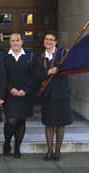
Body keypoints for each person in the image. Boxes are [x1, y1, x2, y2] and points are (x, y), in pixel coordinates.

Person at [36, 32, 72, 161]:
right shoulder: (40, 57)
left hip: (61, 94)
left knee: (60, 124)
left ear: (56, 42)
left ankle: (57, 151)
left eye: (51, 40)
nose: (48, 41)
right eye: (46, 39)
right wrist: (48, 72)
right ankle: (49, 150)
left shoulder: (63, 54)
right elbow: (36, 75)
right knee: (49, 124)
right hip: (47, 96)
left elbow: (69, 68)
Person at [3, 33, 36, 158]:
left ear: (22, 42)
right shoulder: (4, 57)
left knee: (21, 121)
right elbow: (2, 75)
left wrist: (26, 90)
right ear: (9, 43)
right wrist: (10, 89)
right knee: (11, 120)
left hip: (25, 95)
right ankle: (7, 143)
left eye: (17, 40)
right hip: (10, 94)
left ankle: (17, 147)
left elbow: (34, 76)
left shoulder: (30, 56)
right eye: (12, 41)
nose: (15, 43)